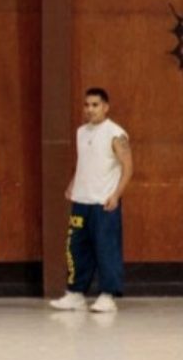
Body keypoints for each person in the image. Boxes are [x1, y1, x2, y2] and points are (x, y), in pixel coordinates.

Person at [50, 87, 133, 313]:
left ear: (106, 107)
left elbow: (128, 167)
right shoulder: (81, 132)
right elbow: (84, 163)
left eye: (95, 105)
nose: (90, 109)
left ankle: (108, 295)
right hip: (81, 200)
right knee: (76, 248)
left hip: (103, 202)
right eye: (86, 105)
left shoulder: (115, 133)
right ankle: (75, 293)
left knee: (106, 248)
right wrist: (72, 184)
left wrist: (116, 195)